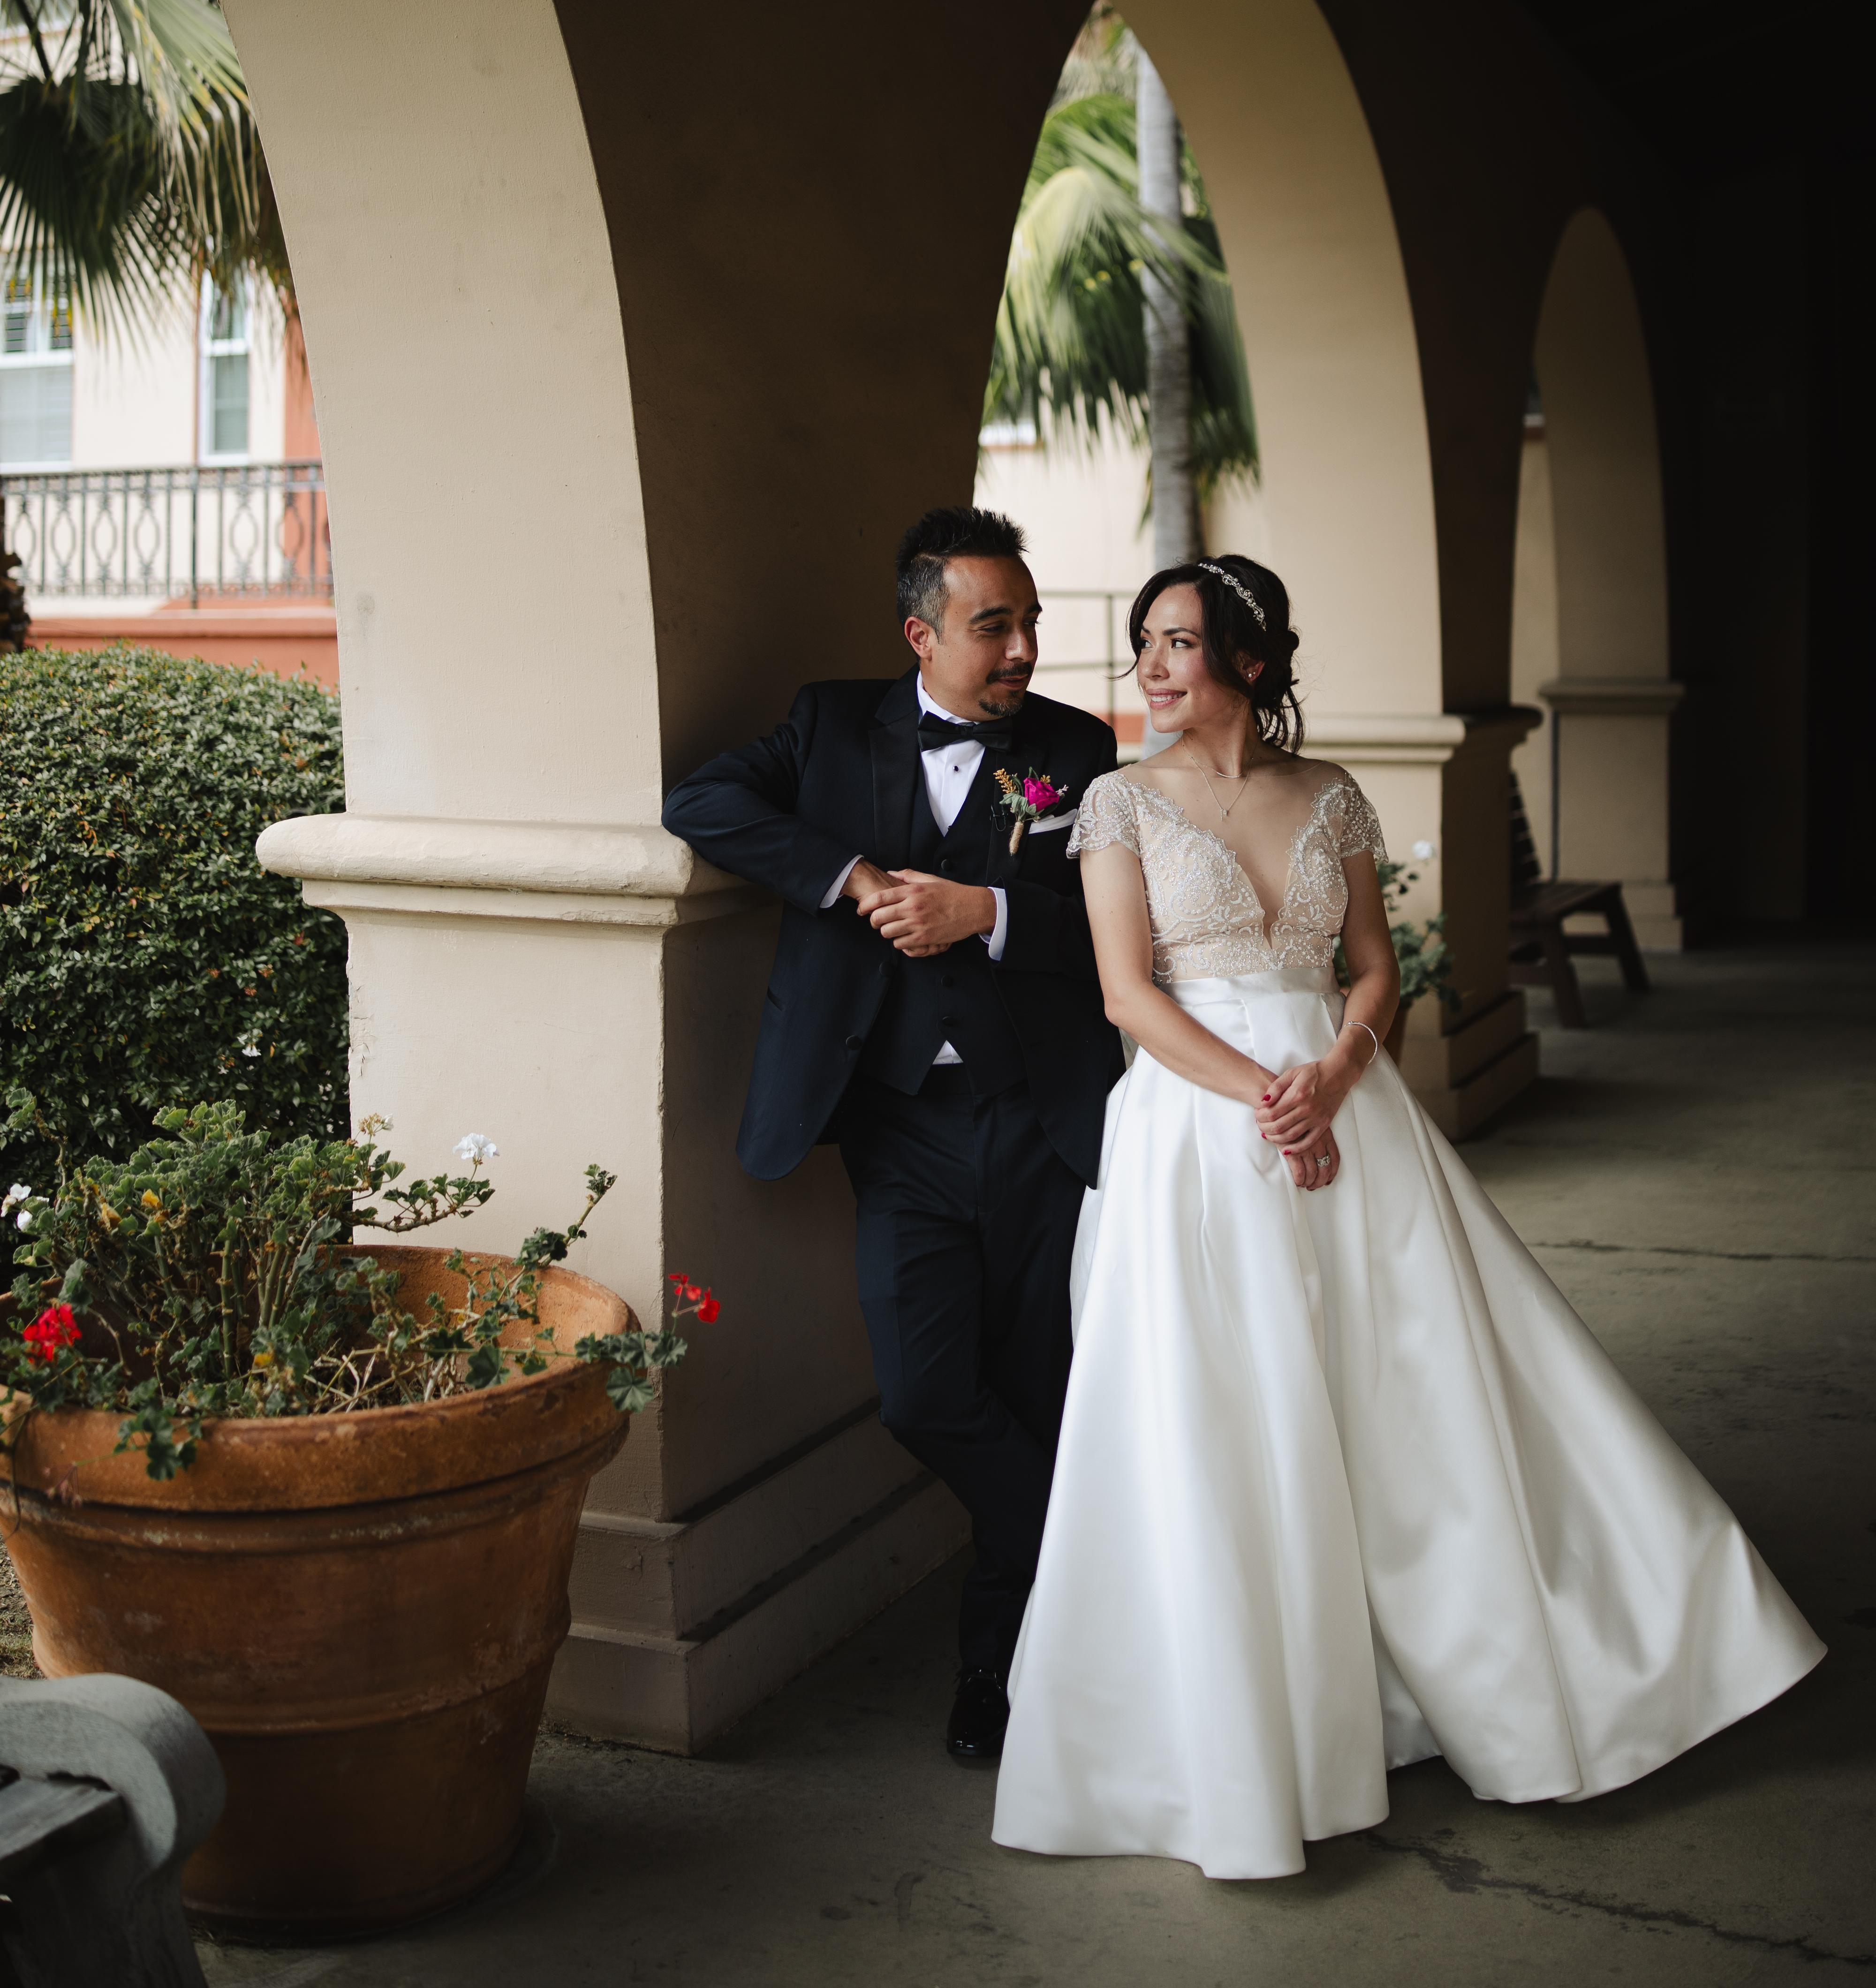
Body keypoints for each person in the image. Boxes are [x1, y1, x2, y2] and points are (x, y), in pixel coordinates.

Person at [992, 554, 1823, 1881]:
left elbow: (1372, 969)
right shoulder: (1119, 802)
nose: (1150, 666)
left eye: (1179, 643)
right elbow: (1126, 997)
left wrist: (1333, 1074)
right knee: (1231, 1405)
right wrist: (1273, 1097)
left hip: (1349, 1109)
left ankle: (1472, 1666)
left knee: (1406, 1391)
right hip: (1199, 1131)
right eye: (1145, 642)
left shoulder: (1331, 793)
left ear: (1251, 661)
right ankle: (1252, 1723)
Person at [662, 505, 1122, 1763]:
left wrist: (989, 911)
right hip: (899, 1129)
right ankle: (1099, 1554)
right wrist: (855, 878)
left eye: (1030, 622)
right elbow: (701, 801)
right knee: (926, 1395)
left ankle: (999, 1670)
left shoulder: (1076, 749)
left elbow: (1118, 927)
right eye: (994, 626)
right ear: (921, 635)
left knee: (1035, 1386)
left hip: (1040, 1121)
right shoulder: (828, 725)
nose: (1023, 648)